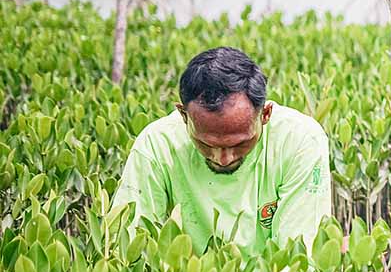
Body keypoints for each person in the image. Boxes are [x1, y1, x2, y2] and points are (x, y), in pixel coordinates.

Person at [113, 46, 331, 257]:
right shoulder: (156, 145)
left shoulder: (300, 141)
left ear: (265, 114)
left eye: (238, 144)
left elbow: (297, 262)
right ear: (183, 115)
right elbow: (128, 247)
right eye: (206, 144)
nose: (223, 159)